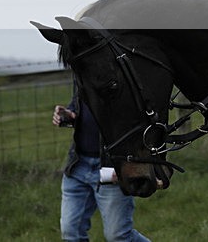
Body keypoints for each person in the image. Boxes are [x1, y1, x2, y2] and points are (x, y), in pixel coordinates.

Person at [53, 84, 151, 242]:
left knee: (118, 236)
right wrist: (69, 114)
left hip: (112, 168)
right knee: (71, 232)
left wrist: (126, 164)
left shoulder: (122, 72)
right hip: (78, 165)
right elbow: (78, 106)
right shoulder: (82, 69)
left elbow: (140, 122)